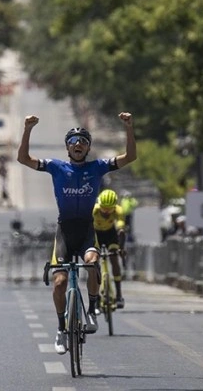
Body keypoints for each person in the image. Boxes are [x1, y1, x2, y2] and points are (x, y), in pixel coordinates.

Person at [17, 112, 136, 355]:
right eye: (73, 142)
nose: (78, 145)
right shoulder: (56, 167)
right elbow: (23, 159)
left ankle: (92, 310)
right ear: (67, 148)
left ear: (88, 147)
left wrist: (129, 128)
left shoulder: (98, 167)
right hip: (64, 232)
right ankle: (61, 329)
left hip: (86, 231)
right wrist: (27, 129)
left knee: (93, 264)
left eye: (83, 141)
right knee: (59, 282)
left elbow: (130, 156)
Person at [93, 189, 127, 309]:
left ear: (115, 206)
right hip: (96, 234)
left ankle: (119, 295)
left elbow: (121, 231)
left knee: (114, 260)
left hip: (110, 235)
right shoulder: (94, 210)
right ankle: (95, 297)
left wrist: (121, 248)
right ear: (99, 204)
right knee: (93, 263)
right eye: (104, 208)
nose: (106, 211)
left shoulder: (118, 211)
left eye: (110, 208)